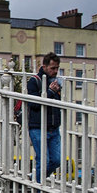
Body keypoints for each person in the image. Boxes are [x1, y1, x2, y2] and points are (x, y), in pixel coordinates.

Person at [26, 52, 63, 181]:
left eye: (57, 68)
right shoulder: (34, 81)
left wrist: (56, 91)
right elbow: (33, 103)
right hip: (38, 127)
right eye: (52, 68)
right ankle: (38, 190)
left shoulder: (56, 82)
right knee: (43, 161)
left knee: (57, 160)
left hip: (53, 128)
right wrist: (50, 92)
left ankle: (36, 178)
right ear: (45, 67)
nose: (55, 71)